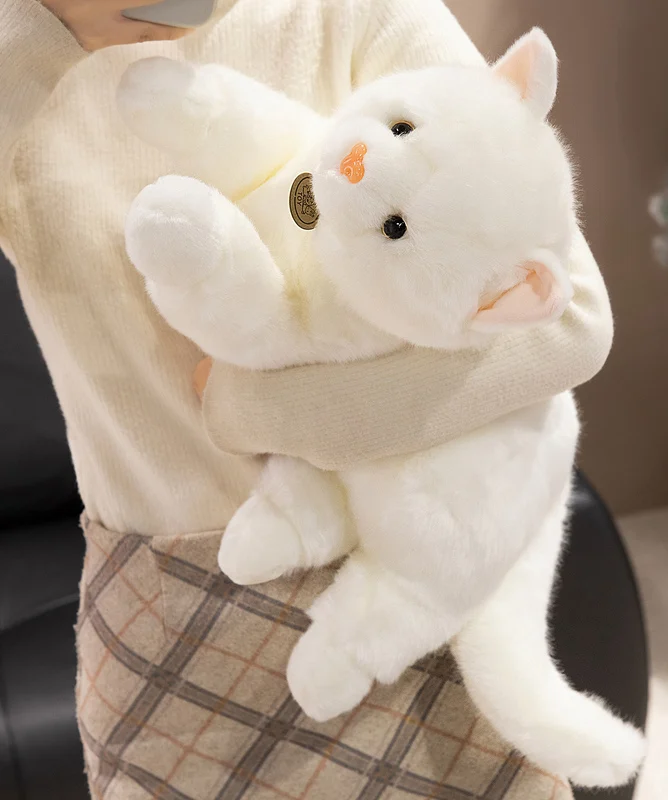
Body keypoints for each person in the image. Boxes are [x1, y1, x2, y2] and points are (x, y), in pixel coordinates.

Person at [0, 1, 614, 798]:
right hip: (177, 628)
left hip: (403, 593)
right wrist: (47, 29)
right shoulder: (22, 53)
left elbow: (569, 321)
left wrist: (252, 410)